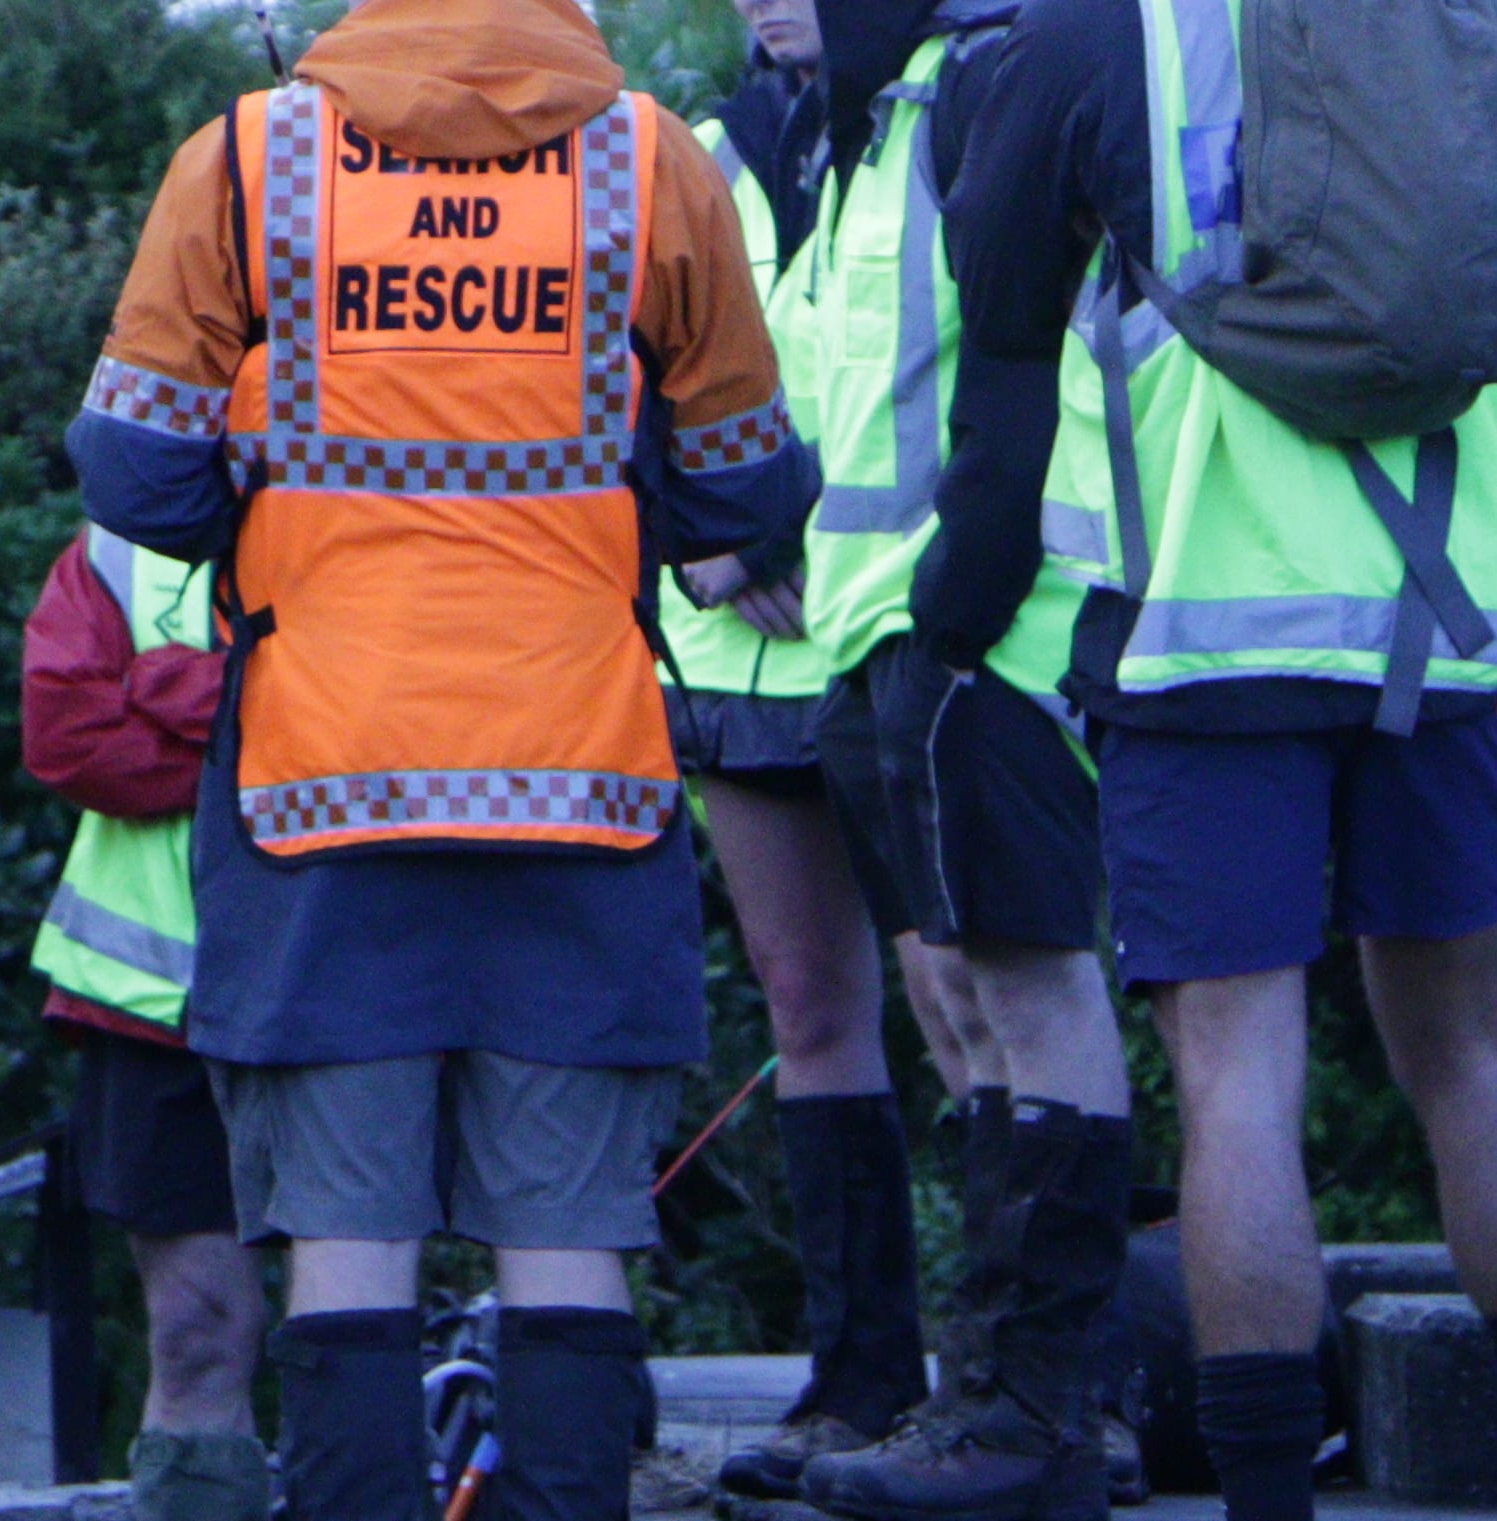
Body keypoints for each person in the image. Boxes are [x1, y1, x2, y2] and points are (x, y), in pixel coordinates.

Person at [62, 2, 812, 1518]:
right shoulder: (652, 164)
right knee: (568, 1238)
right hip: (582, 788)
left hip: (322, 792)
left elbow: (135, 468)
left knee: (344, 1235)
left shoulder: (248, 162)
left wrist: (275, 490)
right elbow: (746, 485)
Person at [934, 3, 1497, 1519]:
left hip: (1207, 636)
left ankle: (1267, 1505)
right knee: (1466, 1058)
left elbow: (993, 304)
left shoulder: (1110, 36)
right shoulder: (1461, 28)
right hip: (1436, 636)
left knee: (1238, 1085)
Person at [778, 2, 1138, 1517]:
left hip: (990, 614)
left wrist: (961, 606)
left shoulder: (982, 82)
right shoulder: (870, 124)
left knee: (1031, 989)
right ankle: (989, 1402)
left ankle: (1042, 1418)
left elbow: (1017, 358)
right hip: (885, 630)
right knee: (965, 1000)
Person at [658, 1, 967, 1499]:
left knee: (971, 998)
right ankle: (859, 1382)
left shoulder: (947, 111)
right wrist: (698, 542)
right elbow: (615, 381)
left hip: (902, 626)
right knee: (808, 1006)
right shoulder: (688, 155)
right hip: (738, 645)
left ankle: (1025, 1383)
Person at [22, 527, 270, 1521]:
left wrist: (159, 687)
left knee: (359, 1320)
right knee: (195, 1331)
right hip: (155, 1008)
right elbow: (67, 739)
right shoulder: (116, 553)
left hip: (362, 1001)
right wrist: (259, 721)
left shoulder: (388, 508)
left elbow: (389, 728)